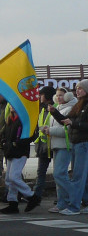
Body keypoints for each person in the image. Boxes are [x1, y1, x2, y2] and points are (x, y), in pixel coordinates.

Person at [0, 103, 39, 213]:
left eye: (14, 104)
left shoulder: (24, 120)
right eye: (11, 104)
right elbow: (5, 133)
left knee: (14, 177)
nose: (12, 106)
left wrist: (18, 143)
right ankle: (13, 203)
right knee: (9, 179)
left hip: (20, 152)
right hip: (10, 151)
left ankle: (32, 196)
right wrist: (3, 141)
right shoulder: (10, 119)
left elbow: (32, 135)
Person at [45, 90, 77, 214]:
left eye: (61, 95)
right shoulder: (56, 108)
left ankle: (75, 197)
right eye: (57, 95)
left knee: (60, 174)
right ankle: (62, 203)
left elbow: (67, 131)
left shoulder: (70, 109)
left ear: (68, 96)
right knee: (58, 176)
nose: (58, 97)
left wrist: (50, 131)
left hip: (65, 145)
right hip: (56, 145)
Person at [58, 80, 88, 214]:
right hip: (76, 142)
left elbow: (79, 124)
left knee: (78, 176)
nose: (77, 91)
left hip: (83, 143)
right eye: (76, 88)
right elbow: (66, 119)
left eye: (81, 88)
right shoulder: (78, 104)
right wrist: (53, 112)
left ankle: (74, 207)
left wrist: (73, 123)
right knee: (83, 177)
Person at [32, 89, 55, 202]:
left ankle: (62, 197)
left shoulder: (55, 109)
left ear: (47, 96)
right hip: (43, 146)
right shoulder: (42, 109)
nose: (40, 96)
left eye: (41, 94)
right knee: (40, 172)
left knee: (58, 173)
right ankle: (36, 197)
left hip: (54, 145)